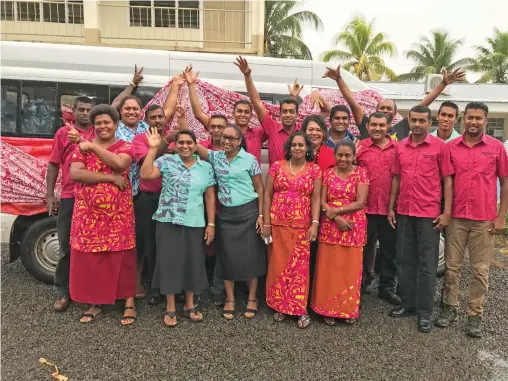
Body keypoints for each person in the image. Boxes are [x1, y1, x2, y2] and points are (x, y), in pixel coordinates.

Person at [435, 102, 508, 338]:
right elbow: (446, 182)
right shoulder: (451, 148)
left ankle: (474, 315)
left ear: (485, 121)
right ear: (463, 120)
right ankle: (449, 308)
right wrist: (446, 212)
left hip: (484, 220)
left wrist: (501, 217)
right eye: (469, 118)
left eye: (478, 118)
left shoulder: (496, 148)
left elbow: (505, 183)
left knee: (480, 270)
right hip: (456, 217)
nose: (473, 122)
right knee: (452, 268)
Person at [387, 105, 454, 333]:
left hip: (429, 215)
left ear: (429, 122)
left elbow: (447, 180)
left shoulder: (440, 148)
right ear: (409, 120)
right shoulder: (400, 147)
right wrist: (391, 207)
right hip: (404, 212)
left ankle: (425, 312)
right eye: (414, 120)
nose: (417, 124)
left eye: (422, 121)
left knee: (427, 266)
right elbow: (396, 178)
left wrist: (446, 213)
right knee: (405, 261)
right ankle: (408, 304)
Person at [68, 104, 137, 325]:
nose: (102, 126)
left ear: (116, 125)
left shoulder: (126, 145)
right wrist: (110, 178)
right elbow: (76, 173)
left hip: (118, 213)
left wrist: (92, 147)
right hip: (88, 214)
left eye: (107, 122)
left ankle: (129, 302)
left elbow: (119, 162)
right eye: (98, 123)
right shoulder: (81, 148)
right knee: (93, 258)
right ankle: (95, 302)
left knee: (122, 257)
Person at [140, 128, 216, 327]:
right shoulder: (166, 161)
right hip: (168, 220)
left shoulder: (205, 167)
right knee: (170, 262)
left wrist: (211, 224)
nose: (185, 146)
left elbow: (209, 196)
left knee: (193, 262)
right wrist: (152, 149)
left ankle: (190, 304)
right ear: (175, 144)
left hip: (195, 221)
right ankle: (171, 306)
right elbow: (146, 174)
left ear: (195, 145)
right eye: (180, 142)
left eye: (189, 143)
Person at [194, 125, 266, 320]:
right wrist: (183, 119)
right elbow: (194, 145)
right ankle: (230, 299)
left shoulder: (249, 160)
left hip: (249, 213)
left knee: (252, 256)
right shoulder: (216, 157)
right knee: (227, 257)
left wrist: (261, 216)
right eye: (224, 137)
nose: (226, 141)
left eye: (231, 139)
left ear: (240, 141)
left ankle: (252, 298)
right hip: (226, 214)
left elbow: (260, 189)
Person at [263, 132, 322, 329]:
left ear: (307, 149)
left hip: (301, 227)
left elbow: (315, 198)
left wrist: (315, 223)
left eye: (302, 145)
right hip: (278, 224)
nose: (298, 148)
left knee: (299, 269)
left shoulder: (314, 170)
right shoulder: (276, 167)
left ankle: (299, 308)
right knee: (278, 265)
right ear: (289, 148)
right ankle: (280, 305)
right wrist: (266, 223)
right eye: (294, 145)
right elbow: (267, 195)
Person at [322, 65, 466, 140]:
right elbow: (352, 103)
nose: (385, 110)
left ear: (395, 113)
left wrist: (443, 83)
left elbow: (423, 106)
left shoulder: (401, 128)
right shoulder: (368, 126)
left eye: (389, 108)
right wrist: (339, 80)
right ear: (375, 110)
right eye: (382, 107)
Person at [311, 140, 369, 325]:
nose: (343, 159)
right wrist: (335, 217)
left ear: (354, 156)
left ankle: (347, 310)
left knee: (349, 269)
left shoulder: (361, 173)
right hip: (330, 225)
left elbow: (361, 202)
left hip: (353, 226)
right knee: (329, 269)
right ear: (335, 155)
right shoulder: (327, 173)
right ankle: (327, 309)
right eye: (340, 155)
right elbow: (321, 199)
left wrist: (338, 212)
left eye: (347, 155)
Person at [47, 97, 95, 312]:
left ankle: (88, 292)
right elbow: (53, 164)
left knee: (92, 246)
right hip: (70, 196)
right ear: (73, 112)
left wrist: (131, 86)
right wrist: (49, 195)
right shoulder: (62, 133)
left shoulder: (99, 132)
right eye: (81, 109)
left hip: (95, 198)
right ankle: (64, 291)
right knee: (66, 245)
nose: (85, 113)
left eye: (89, 110)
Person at [132, 101, 183, 305]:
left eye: (160, 117)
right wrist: (166, 142)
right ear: (146, 120)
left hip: (173, 199)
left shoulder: (177, 138)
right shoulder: (140, 139)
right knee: (149, 245)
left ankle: (171, 287)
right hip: (149, 199)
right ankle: (154, 289)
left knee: (170, 245)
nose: (157, 120)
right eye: (152, 117)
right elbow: (148, 162)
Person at [235, 56, 328, 165]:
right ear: (280, 114)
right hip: (276, 180)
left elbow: (326, 111)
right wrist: (247, 75)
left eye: (292, 112)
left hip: (300, 180)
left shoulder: (304, 129)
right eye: (284, 112)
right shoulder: (271, 127)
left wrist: (317, 94)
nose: (288, 115)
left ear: (297, 114)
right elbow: (256, 102)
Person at [356, 112, 400, 306]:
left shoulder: (397, 149)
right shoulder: (360, 148)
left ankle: (386, 288)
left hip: (389, 209)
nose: (377, 128)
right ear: (368, 126)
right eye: (373, 124)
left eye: (381, 125)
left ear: (388, 126)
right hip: (364, 208)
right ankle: (360, 283)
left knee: (389, 250)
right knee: (361, 249)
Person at [183, 65, 265, 163]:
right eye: (239, 111)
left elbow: (257, 103)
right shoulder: (223, 129)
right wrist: (191, 85)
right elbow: (198, 114)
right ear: (232, 114)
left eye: (247, 112)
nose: (243, 114)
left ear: (251, 116)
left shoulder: (259, 133)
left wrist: (247, 76)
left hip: (251, 177)